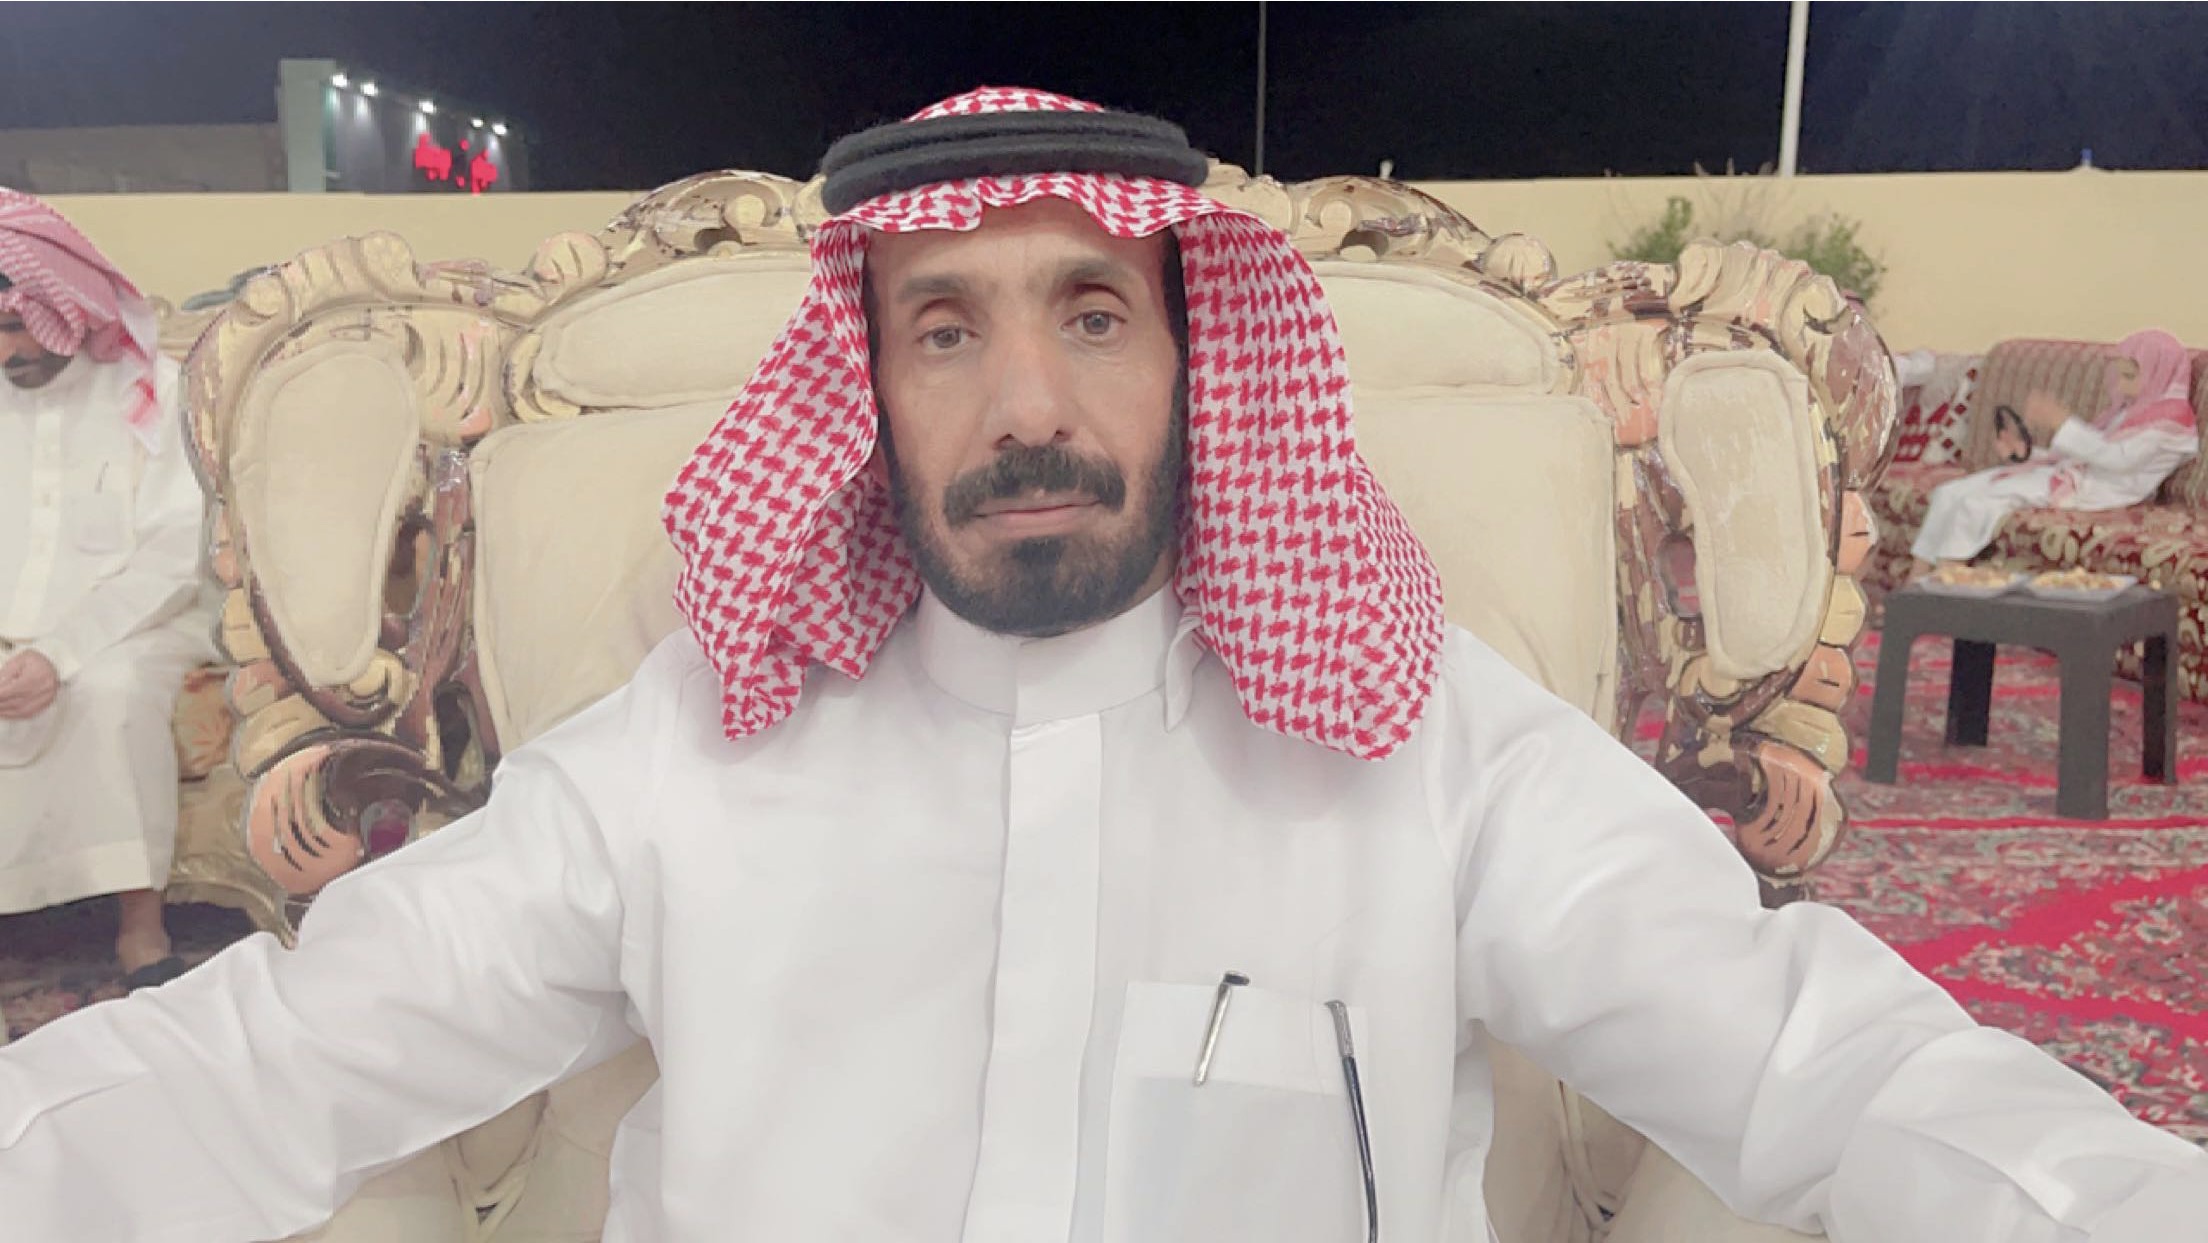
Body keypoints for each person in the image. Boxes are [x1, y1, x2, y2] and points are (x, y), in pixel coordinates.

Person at [2, 90, 2204, 1243]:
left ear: (1193, 360)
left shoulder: (1423, 746)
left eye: (1090, 315)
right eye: (944, 330)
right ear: (867, 391)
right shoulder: (685, 757)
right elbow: (276, 1063)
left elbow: (1818, 1063)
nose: (1027, 404)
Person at [0, 190, 213, 988]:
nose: (8, 351)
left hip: (142, 621)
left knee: (110, 691)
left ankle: (140, 928)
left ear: (65, 306)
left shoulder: (150, 389)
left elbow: (172, 554)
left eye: (18, 326)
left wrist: (58, 652)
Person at [1912, 328, 2198, 569]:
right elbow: (2084, 453)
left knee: (1976, 504)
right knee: (1950, 492)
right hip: (2077, 475)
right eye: (2121, 375)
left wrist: (2062, 422)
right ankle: (1917, 581)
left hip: (2100, 491)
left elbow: (2118, 459)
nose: (2121, 385)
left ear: (2160, 374)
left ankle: (1946, 584)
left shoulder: (2170, 421)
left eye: (2130, 377)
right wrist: (2025, 454)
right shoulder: (2130, 411)